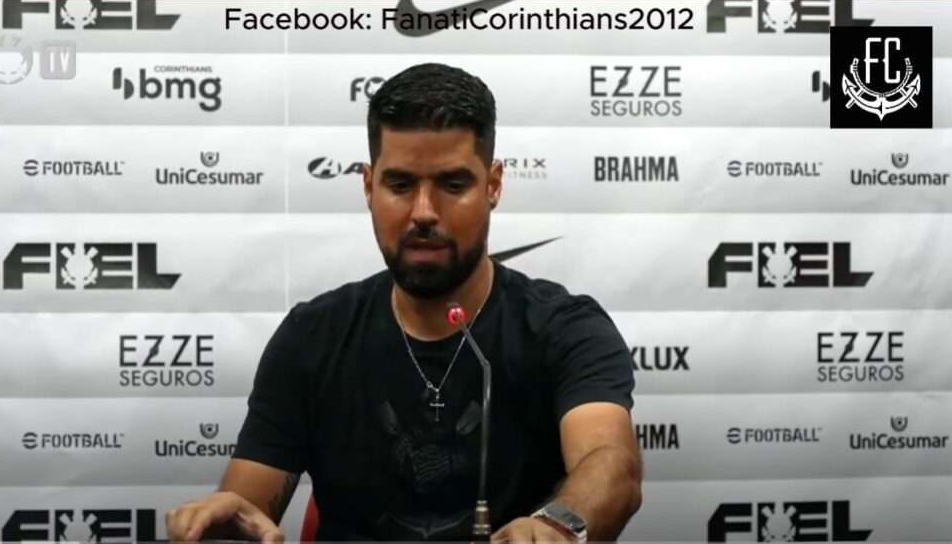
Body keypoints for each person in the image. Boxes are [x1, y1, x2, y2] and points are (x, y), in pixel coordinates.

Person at [166, 63, 641, 543]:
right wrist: (226, 522)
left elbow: (611, 466)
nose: (423, 212)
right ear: (368, 186)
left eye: (453, 185)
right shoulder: (313, 335)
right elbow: (247, 503)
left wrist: (558, 526)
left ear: (493, 185)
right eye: (400, 185)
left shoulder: (564, 328)